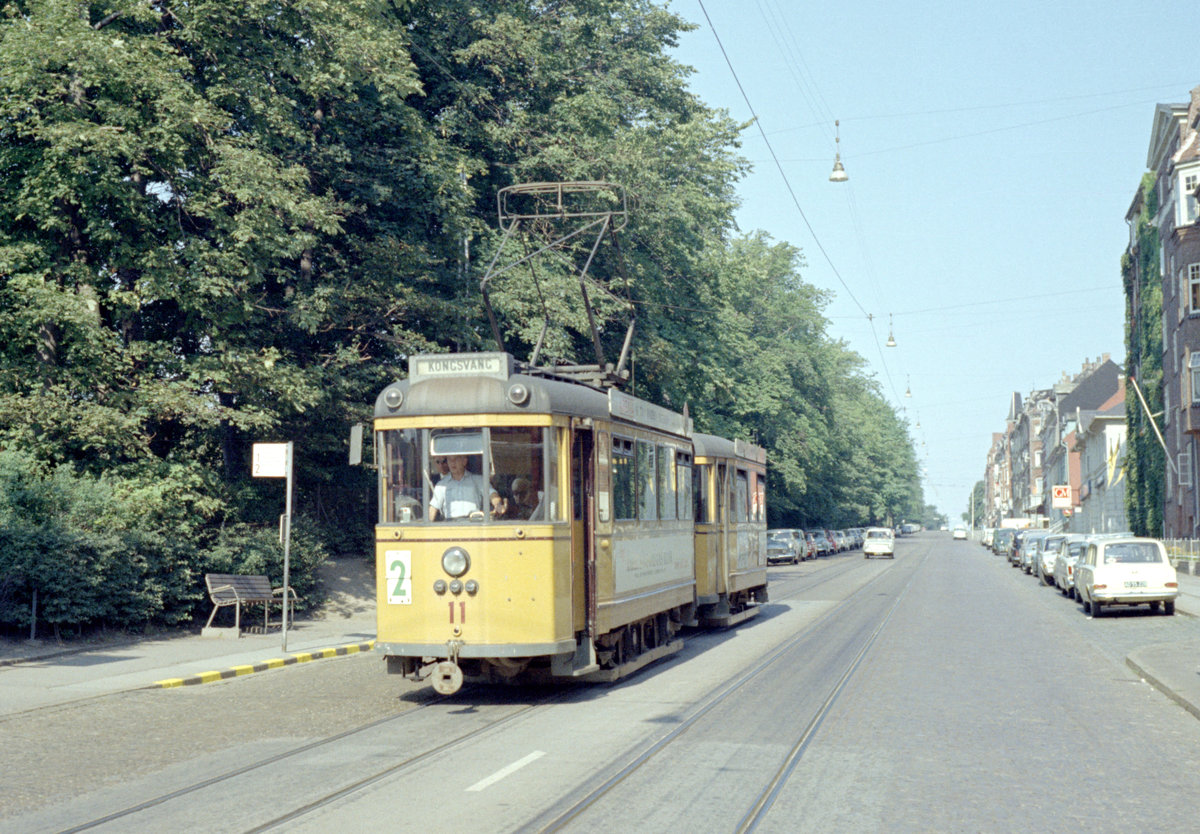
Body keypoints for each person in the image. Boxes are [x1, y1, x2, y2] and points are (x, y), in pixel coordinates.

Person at [428, 455, 506, 520]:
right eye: (449, 460)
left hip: (474, 524)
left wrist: (498, 505)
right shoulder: (441, 485)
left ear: (464, 461)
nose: (452, 463)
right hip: (450, 527)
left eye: (456, 459)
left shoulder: (478, 480)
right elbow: (433, 509)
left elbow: (492, 494)